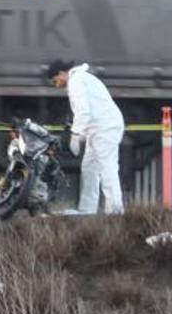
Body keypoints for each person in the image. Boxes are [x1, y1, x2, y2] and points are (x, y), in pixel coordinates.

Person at [47, 60, 125, 214]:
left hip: (105, 129)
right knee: (89, 169)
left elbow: (84, 111)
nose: (56, 85)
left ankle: (115, 212)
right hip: (97, 129)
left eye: (55, 81)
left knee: (107, 169)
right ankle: (87, 210)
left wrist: (76, 135)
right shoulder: (80, 79)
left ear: (61, 73)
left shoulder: (77, 81)